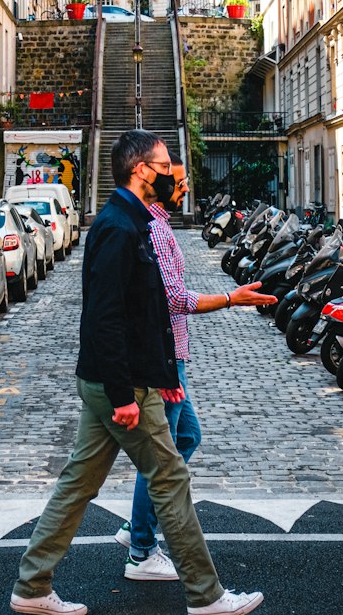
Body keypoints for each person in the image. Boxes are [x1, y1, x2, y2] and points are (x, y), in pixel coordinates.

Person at [10, 129, 264, 615]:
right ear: (142, 170)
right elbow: (105, 318)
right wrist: (127, 392)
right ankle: (206, 595)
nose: (173, 174)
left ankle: (31, 585)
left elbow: (146, 312)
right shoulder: (119, 228)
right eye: (166, 165)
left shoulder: (135, 223)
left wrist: (165, 373)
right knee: (169, 476)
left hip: (120, 380)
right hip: (118, 386)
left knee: (77, 483)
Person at [116, 161, 276, 570]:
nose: (186, 189)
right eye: (181, 182)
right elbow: (171, 298)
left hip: (172, 356)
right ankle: (141, 547)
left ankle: (139, 522)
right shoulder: (153, 228)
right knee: (161, 455)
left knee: (185, 437)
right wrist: (229, 298)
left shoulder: (155, 223)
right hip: (164, 358)